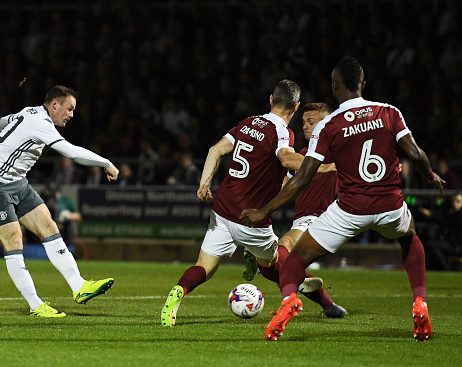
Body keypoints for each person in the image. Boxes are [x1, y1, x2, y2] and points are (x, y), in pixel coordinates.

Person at [240, 57, 445, 342]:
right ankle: (420, 302)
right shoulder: (389, 112)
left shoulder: (330, 125)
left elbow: (301, 178)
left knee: (296, 258)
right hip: (390, 204)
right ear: (363, 84)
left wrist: (264, 211)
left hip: (349, 209)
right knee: (410, 238)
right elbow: (417, 154)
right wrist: (430, 176)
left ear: (335, 86)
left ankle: (289, 300)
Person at [160, 80, 336, 327]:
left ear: (271, 100)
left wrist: (204, 184)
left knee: (204, 267)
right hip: (250, 218)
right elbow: (286, 159)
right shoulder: (283, 132)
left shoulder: (248, 123)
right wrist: (324, 166)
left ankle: (178, 291)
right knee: (275, 264)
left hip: (222, 210)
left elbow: (215, 150)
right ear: (296, 107)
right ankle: (296, 284)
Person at [0, 85, 119, 317]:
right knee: (14, 240)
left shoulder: (29, 112)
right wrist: (106, 162)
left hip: (17, 182)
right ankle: (35, 305)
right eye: (69, 109)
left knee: (49, 227)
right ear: (55, 105)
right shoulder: (40, 123)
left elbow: (3, 121)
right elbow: (70, 152)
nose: (71, 114)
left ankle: (79, 286)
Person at [243, 102, 346, 318]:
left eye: (311, 122)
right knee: (270, 267)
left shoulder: (338, 151)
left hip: (324, 218)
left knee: (285, 245)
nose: (306, 127)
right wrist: (262, 209)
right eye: (304, 122)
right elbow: (284, 189)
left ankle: (288, 303)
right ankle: (328, 305)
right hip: (302, 220)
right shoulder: (302, 155)